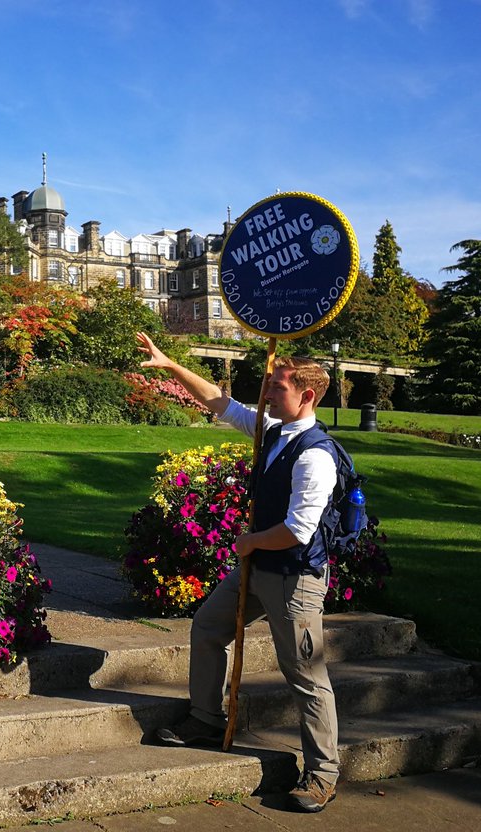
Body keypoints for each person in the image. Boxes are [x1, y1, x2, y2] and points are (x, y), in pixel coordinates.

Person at [135, 331, 341, 814]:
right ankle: (206, 718)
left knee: (305, 675)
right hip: (256, 568)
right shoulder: (270, 430)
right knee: (209, 627)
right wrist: (169, 366)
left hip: (293, 578)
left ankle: (322, 774)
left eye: (278, 387)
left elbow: (298, 530)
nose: (267, 393)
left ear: (307, 395)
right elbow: (219, 402)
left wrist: (248, 542)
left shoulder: (315, 454)